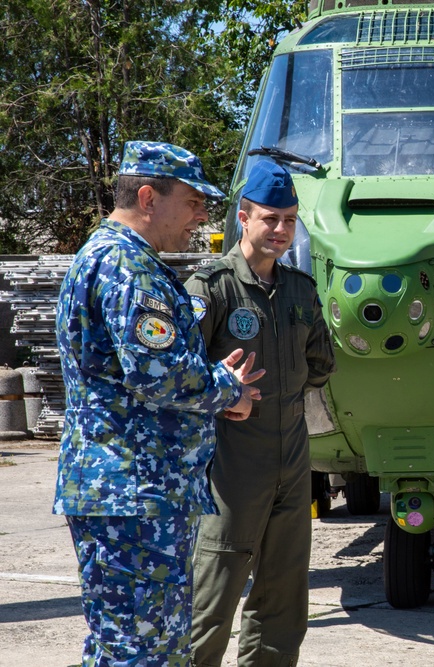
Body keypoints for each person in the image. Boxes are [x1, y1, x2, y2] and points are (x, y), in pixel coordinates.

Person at [54, 140, 265, 666]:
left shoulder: (111, 258)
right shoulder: (127, 267)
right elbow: (161, 376)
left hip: (133, 490)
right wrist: (227, 390)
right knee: (144, 649)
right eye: (194, 202)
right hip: (134, 490)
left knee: (127, 645)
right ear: (148, 197)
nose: (202, 216)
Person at [186, 161, 337, 667]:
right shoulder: (211, 289)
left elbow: (321, 363)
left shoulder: (300, 290)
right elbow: (182, 378)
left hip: (292, 460)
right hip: (230, 463)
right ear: (244, 218)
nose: (281, 230)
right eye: (270, 218)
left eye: (290, 220)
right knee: (212, 597)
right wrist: (227, 399)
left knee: (285, 598)